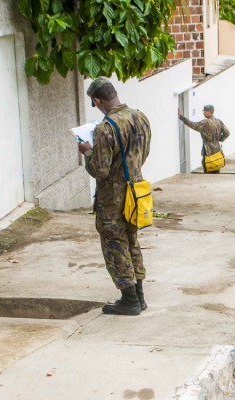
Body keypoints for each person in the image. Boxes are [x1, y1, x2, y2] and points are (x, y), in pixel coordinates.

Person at [78, 77, 151, 316]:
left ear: (98, 101)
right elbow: (144, 153)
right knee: (132, 241)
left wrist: (88, 152)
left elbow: (99, 169)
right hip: (136, 191)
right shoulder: (140, 117)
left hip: (112, 198)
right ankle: (139, 297)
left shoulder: (105, 128)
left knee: (114, 244)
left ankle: (129, 300)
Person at [178, 105, 230, 173]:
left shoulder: (205, 122)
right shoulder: (219, 121)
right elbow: (227, 133)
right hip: (217, 148)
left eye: (204, 111)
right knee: (216, 166)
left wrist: (181, 117)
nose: (203, 113)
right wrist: (219, 139)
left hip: (207, 148)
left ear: (209, 112)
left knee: (208, 167)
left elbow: (192, 124)